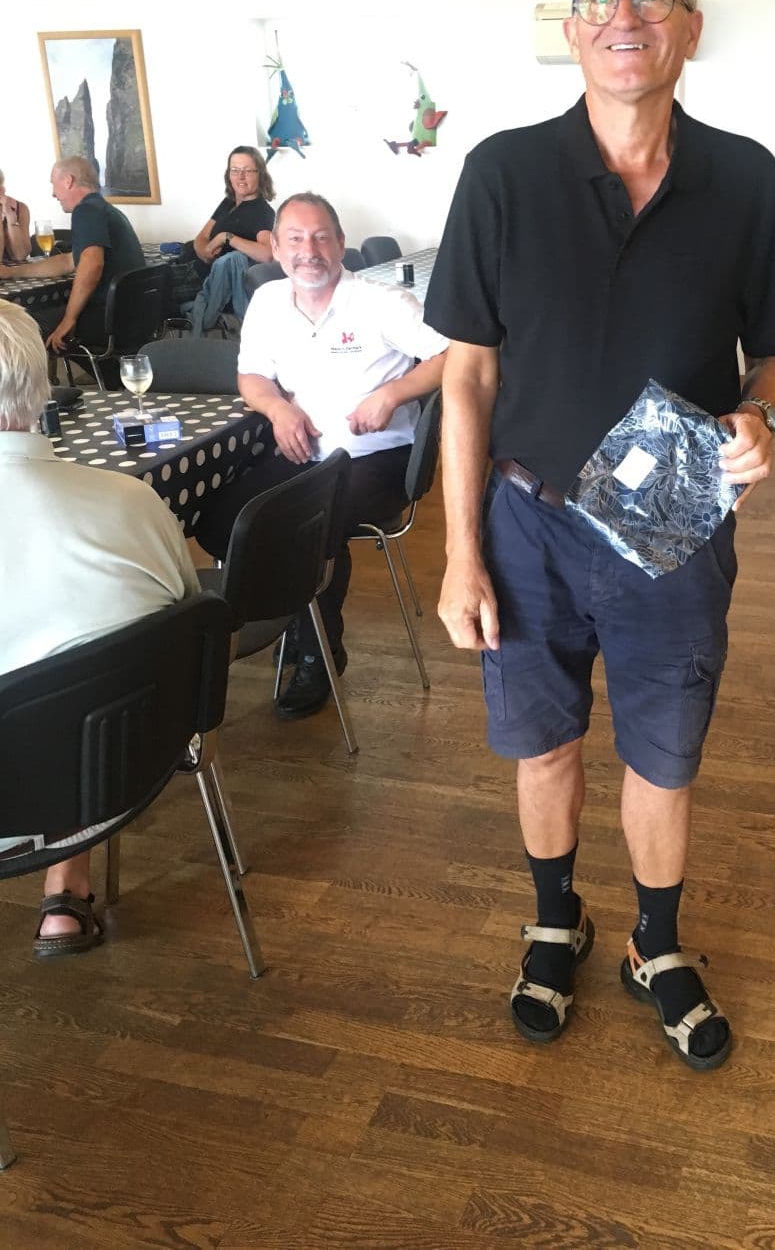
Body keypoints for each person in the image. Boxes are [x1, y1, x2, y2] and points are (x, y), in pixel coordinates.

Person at [424, 0, 775, 1072]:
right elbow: (466, 376)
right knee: (542, 748)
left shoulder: (745, 180)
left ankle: (654, 940)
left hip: (673, 523)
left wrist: (762, 416)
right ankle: (556, 921)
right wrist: (459, 552)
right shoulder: (501, 174)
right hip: (526, 520)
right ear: (570, 27)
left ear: (690, 24)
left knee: (661, 757)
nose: (623, 15)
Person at [193, 192, 447, 719]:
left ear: (340, 244)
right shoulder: (268, 302)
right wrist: (277, 410)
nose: (308, 251)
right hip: (302, 448)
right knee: (220, 517)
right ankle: (287, 615)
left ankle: (319, 648)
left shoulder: (380, 301)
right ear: (276, 248)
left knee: (308, 522)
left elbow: (451, 354)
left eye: (320, 237)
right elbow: (252, 376)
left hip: (376, 457)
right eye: (295, 239)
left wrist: (392, 394)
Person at [0, 301, 199, 958]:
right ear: (41, 387)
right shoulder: (132, 500)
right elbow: (191, 620)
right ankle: (65, 890)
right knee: (79, 679)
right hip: (115, 771)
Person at [36, 156, 145, 354]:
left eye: (53, 184)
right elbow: (69, 261)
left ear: (68, 181)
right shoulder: (105, 209)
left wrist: (69, 319)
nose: (53, 193)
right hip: (134, 317)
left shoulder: (86, 210)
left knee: (26, 322)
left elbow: (93, 264)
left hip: (109, 320)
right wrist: (11, 272)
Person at [186, 145, 277, 334]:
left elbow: (268, 254)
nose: (240, 177)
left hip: (213, 285)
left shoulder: (261, 211)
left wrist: (226, 237)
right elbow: (201, 237)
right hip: (198, 269)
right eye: (235, 170)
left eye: (247, 171)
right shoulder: (228, 203)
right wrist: (205, 252)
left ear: (260, 174)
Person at [0, 169, 32, 266]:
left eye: (1, 183)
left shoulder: (20, 208)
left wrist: (10, 216)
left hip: (16, 272)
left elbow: (20, 256)